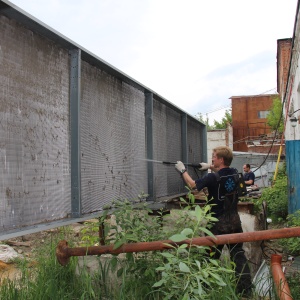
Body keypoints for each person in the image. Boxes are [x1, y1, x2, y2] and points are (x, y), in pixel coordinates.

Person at [175, 146, 252, 296]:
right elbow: (223, 173)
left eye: (214, 157)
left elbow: (193, 186)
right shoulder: (235, 173)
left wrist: (183, 170)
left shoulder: (212, 178)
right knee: (238, 255)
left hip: (217, 225)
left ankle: (204, 290)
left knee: (210, 258)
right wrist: (209, 166)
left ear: (221, 159)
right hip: (235, 222)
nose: (212, 158)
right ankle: (245, 292)